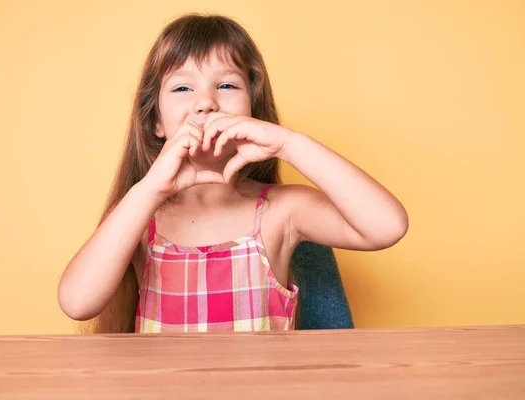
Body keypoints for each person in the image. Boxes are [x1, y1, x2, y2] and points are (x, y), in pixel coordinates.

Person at [58, 13, 408, 334]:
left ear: (253, 111)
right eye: (182, 88)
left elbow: (387, 226)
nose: (206, 101)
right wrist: (150, 189)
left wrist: (289, 144)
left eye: (226, 86)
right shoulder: (140, 213)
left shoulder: (280, 211)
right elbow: (77, 303)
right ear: (156, 122)